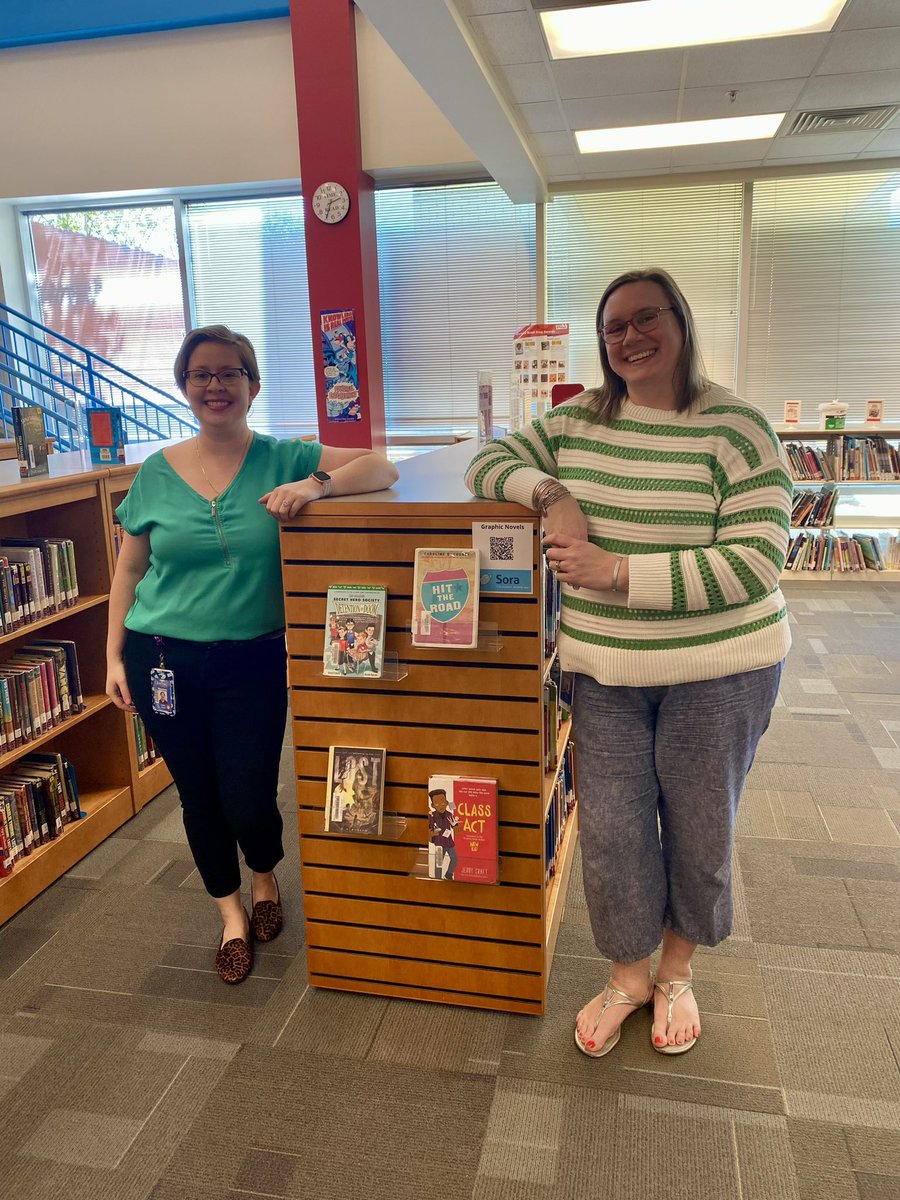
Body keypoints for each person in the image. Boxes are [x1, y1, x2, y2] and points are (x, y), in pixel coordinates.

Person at [465, 268, 791, 1057]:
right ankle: (627, 976)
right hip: (607, 668)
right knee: (611, 830)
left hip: (720, 668)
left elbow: (757, 561)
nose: (630, 338)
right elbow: (489, 462)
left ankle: (676, 970)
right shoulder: (578, 420)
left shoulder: (738, 429)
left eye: (647, 318)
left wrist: (617, 574)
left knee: (700, 823)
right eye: (614, 327)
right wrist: (551, 495)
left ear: (680, 321)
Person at [106, 325, 398, 984]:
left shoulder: (282, 457)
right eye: (201, 374)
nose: (215, 385)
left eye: (229, 373)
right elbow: (128, 572)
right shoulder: (155, 472)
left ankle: (265, 876)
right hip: (164, 661)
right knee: (198, 797)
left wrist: (319, 484)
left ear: (252, 385)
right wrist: (112, 656)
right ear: (185, 386)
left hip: (254, 660)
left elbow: (382, 464)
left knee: (247, 794)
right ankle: (232, 914)